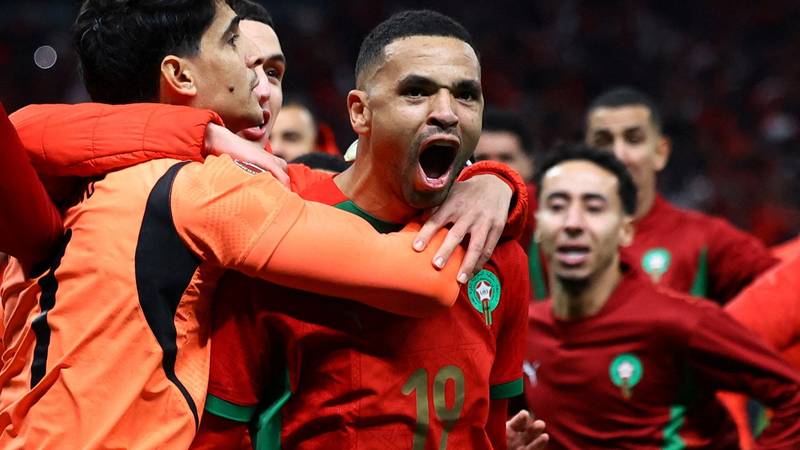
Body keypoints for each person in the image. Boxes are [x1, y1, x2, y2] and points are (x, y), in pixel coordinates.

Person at [0, 1, 507, 447]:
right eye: (232, 41)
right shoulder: (209, 187)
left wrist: (193, 132)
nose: (250, 61)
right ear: (180, 75)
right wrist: (492, 184)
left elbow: (20, 130)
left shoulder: (67, 173)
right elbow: (427, 276)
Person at [189, 9, 539, 450]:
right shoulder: (279, 230)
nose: (446, 113)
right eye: (416, 91)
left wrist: (498, 181)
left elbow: (489, 427)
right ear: (360, 112)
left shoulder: (497, 251)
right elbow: (221, 431)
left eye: (466, 95)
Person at [524, 144, 800, 449]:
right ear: (538, 226)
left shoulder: (681, 322)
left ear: (626, 230)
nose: (572, 223)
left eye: (594, 208)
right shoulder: (524, 330)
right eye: (557, 206)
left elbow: (793, 396)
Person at [585, 87, 777, 303]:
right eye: (603, 142)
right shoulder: (563, 242)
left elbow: (783, 290)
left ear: (660, 152)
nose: (618, 154)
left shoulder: (703, 238)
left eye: (633, 139)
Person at [474, 110, 546, 300]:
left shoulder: (551, 212)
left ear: (530, 163)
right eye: (482, 158)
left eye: (506, 158)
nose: (495, 168)